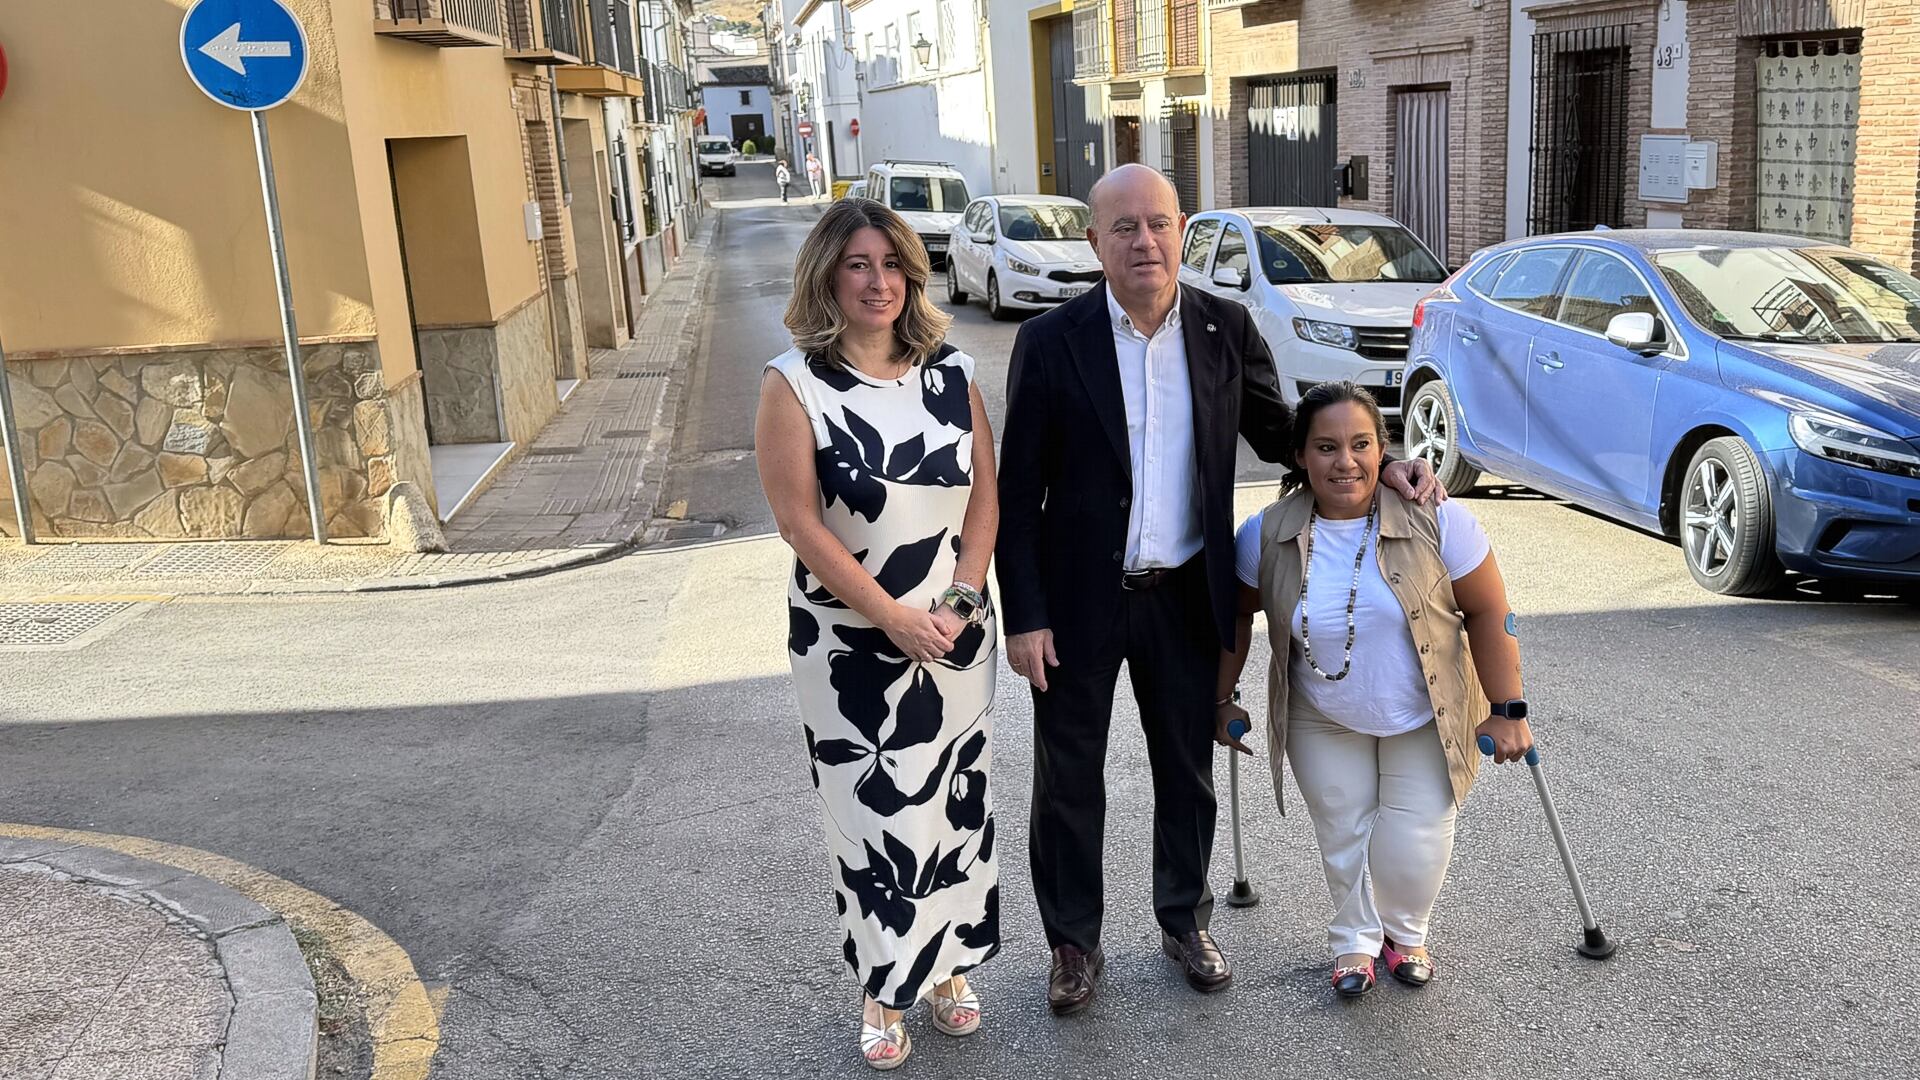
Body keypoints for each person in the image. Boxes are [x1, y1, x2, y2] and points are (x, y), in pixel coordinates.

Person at [995, 164, 1436, 1015]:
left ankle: (1183, 919)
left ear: (1182, 230)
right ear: (1095, 242)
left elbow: (1287, 437)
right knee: (1069, 777)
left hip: (1184, 595)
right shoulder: (1051, 342)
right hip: (1080, 600)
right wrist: (1028, 614)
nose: (1143, 241)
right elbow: (1018, 497)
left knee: (1185, 769)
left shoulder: (1224, 328)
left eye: (1157, 223)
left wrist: (1379, 469)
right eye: (1122, 227)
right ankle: (1073, 945)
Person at [756, 199, 1002, 1069]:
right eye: (859, 264)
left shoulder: (951, 370)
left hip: (956, 631)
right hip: (848, 642)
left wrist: (961, 601)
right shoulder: (795, 383)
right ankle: (882, 988)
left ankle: (949, 970)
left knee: (952, 798)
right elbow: (800, 525)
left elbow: (984, 499)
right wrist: (892, 615)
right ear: (827, 274)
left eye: (892, 264)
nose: (879, 281)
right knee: (871, 814)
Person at [1214, 381, 1533, 999]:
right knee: (1343, 832)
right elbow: (1235, 619)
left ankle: (1404, 932)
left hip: (1423, 713)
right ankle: (1354, 943)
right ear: (1301, 456)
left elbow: (1491, 614)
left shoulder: (1437, 519)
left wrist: (1508, 709)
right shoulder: (1266, 534)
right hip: (1321, 714)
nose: (1345, 461)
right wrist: (1220, 697)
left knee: (1412, 847)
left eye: (1361, 445)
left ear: (1382, 452)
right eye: (1326, 447)